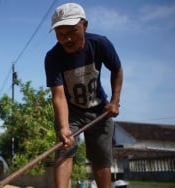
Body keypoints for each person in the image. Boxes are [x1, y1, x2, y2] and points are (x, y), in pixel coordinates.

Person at [44, 3, 123, 188]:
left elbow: (117, 70)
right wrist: (64, 127)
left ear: (84, 25)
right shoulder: (53, 57)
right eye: (61, 34)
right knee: (64, 150)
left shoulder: (100, 44)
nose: (67, 38)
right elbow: (59, 96)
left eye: (72, 31)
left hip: (99, 109)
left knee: (100, 157)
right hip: (70, 111)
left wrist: (115, 101)